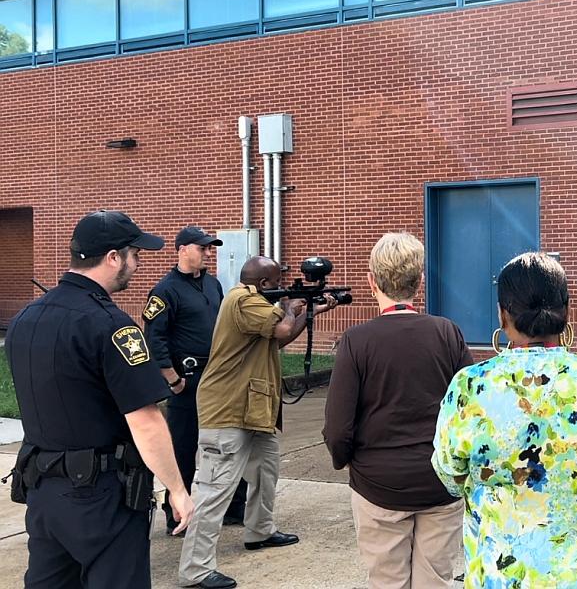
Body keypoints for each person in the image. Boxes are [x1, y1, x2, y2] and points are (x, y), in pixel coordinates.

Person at [432, 252, 577, 589]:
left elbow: (449, 472)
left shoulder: (470, 388)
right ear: (567, 310)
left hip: (502, 577)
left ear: (503, 315)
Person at [5, 210, 194, 589]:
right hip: (101, 497)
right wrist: (177, 488)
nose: (137, 265)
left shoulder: (25, 318)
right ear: (112, 257)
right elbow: (146, 420)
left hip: (43, 491)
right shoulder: (113, 326)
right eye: (134, 255)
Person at [323, 231, 473, 589]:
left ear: (371, 280)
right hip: (439, 481)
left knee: (387, 581)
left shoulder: (356, 342)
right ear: (419, 281)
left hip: (379, 484)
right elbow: (469, 410)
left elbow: (338, 427)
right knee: (435, 579)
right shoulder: (448, 333)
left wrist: (345, 460)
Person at [178, 256, 337, 589]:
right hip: (227, 408)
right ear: (264, 284)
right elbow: (281, 326)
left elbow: (277, 339)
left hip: (254, 407)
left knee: (266, 472)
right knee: (214, 490)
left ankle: (259, 530)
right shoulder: (243, 299)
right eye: (277, 280)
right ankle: (195, 568)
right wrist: (295, 307)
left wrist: (311, 310)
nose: (280, 285)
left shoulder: (256, 303)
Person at [143, 226, 246, 534]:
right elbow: (155, 339)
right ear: (182, 249)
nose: (208, 253)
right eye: (202, 248)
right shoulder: (165, 291)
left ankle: (233, 507)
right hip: (187, 380)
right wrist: (173, 380)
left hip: (217, 377)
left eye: (209, 248)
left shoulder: (213, 285)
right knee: (184, 449)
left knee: (228, 442)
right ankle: (177, 515)